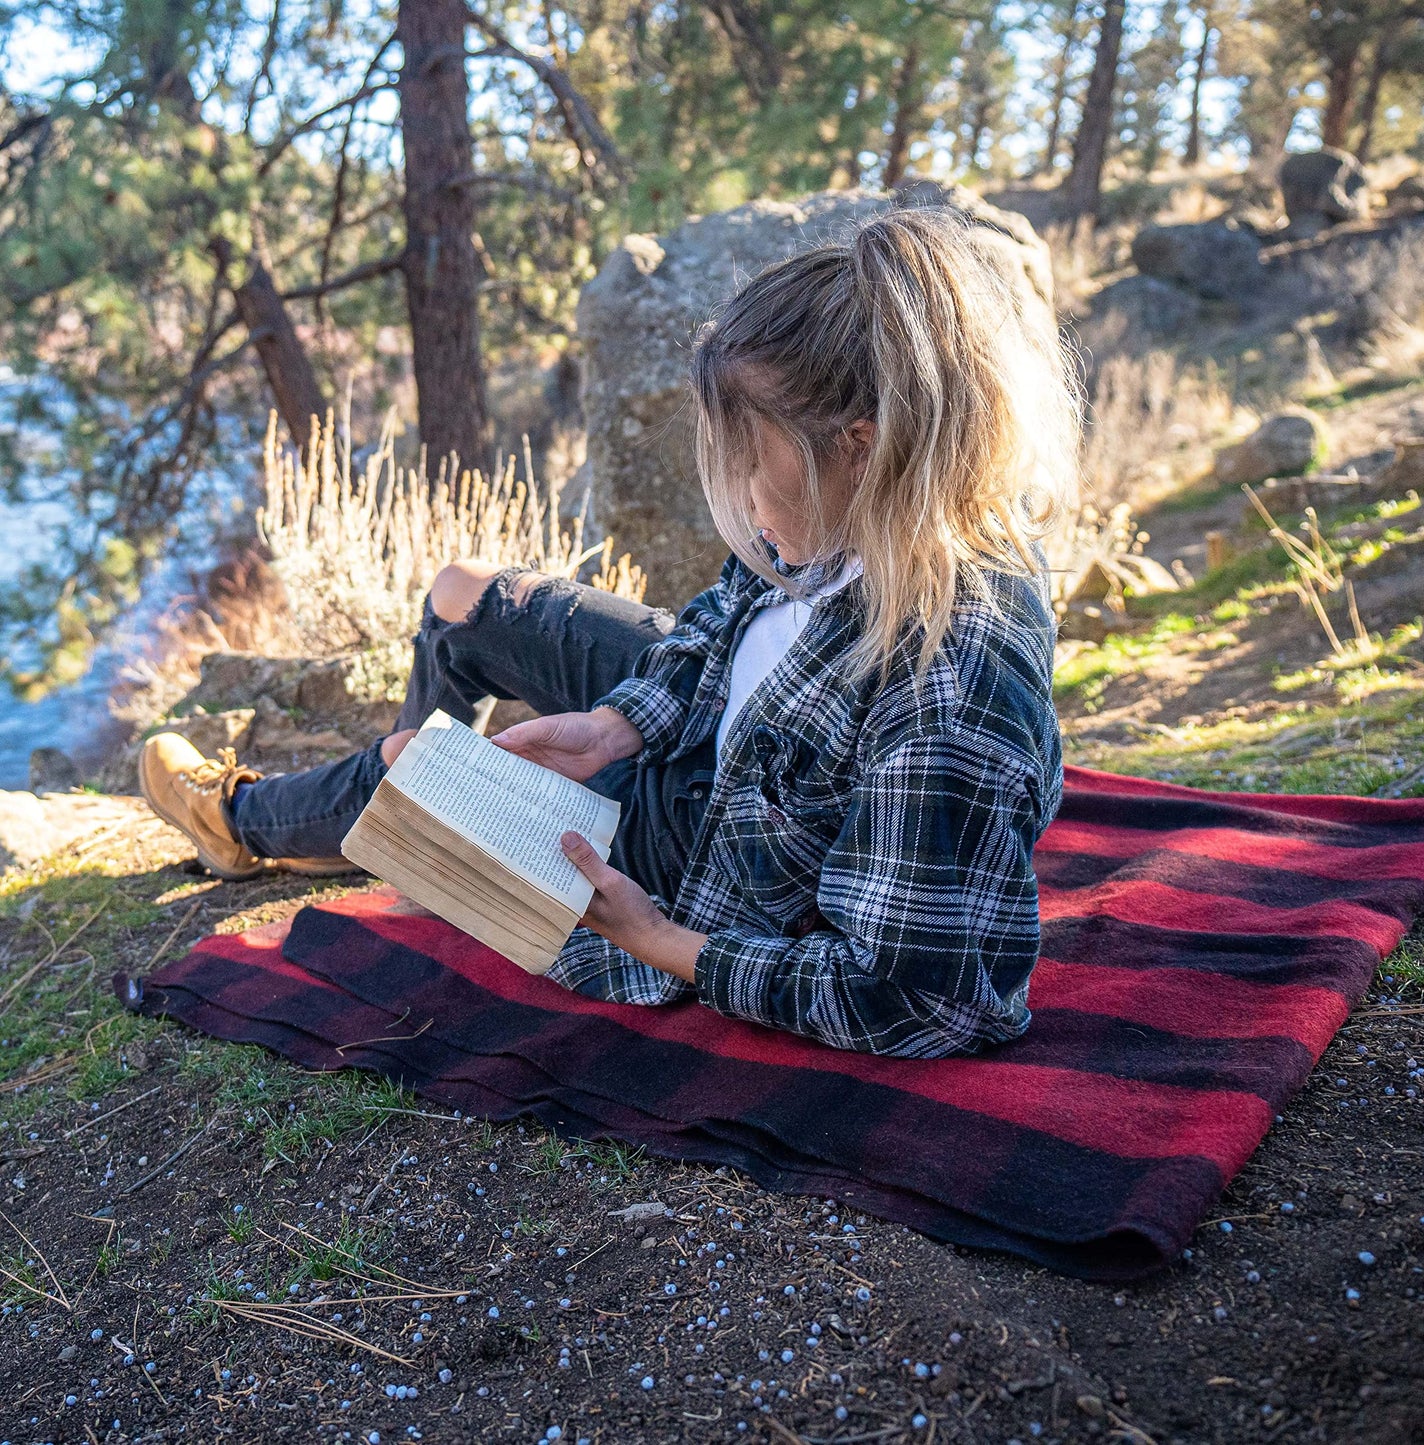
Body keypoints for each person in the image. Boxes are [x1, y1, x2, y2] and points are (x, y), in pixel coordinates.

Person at [140, 205, 1081, 1058]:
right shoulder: (857, 517)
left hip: (720, 850)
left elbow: (925, 1000)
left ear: (861, 445)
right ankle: (394, 837)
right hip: (737, 743)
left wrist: (653, 939)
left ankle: (254, 822)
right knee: (465, 598)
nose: (748, 509)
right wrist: (618, 724)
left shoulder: (947, 684)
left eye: (753, 467)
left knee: (406, 765)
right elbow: (723, 620)